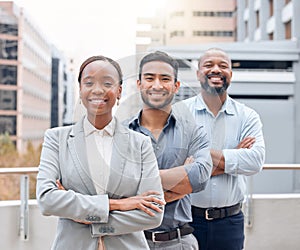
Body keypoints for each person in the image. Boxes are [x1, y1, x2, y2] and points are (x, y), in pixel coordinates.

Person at [36, 55, 165, 250]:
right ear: (80, 89)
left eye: (107, 83)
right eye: (89, 83)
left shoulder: (140, 144)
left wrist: (86, 218)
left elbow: (154, 213)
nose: (97, 90)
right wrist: (118, 204)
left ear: (119, 91)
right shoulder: (57, 139)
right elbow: (47, 199)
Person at [126, 51, 212, 250]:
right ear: (139, 84)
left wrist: (140, 181)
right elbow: (116, 189)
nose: (157, 85)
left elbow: (199, 177)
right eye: (149, 78)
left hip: (178, 242)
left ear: (176, 86)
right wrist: (179, 181)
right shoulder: (120, 132)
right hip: (129, 242)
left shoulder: (193, 131)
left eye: (165, 79)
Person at [183, 48, 265, 250]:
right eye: (209, 65)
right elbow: (175, 166)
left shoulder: (247, 116)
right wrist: (234, 155)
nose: (216, 70)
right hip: (188, 221)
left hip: (230, 222)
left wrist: (198, 157)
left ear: (231, 74)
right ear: (198, 73)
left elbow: (255, 161)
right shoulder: (180, 114)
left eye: (223, 66)